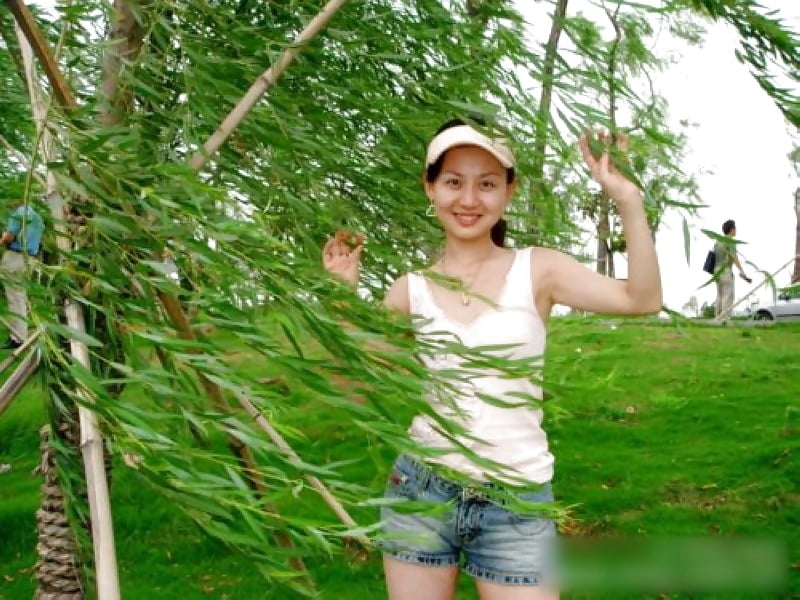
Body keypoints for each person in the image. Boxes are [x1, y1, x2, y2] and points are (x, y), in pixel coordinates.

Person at [322, 119, 662, 600]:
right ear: (430, 187)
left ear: (508, 191)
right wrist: (340, 303)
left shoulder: (538, 269)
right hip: (422, 491)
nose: (468, 199)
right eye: (453, 182)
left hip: (516, 499)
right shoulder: (409, 290)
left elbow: (642, 299)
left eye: (486, 184)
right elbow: (355, 388)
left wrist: (627, 199)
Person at [0, 202, 44, 349]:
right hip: (28, 259)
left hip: (14, 257)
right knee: (20, 296)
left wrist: (2, 239)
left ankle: (16, 338)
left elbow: (9, 237)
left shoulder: (19, 213)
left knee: (14, 298)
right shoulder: (38, 218)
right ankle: (20, 335)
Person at [713, 219, 749, 319]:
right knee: (728, 294)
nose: (736, 230)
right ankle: (724, 319)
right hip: (725, 270)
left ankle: (718, 317)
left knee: (719, 295)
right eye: (735, 228)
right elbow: (734, 257)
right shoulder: (730, 241)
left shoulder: (717, 241)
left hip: (716, 271)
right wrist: (741, 271)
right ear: (731, 229)